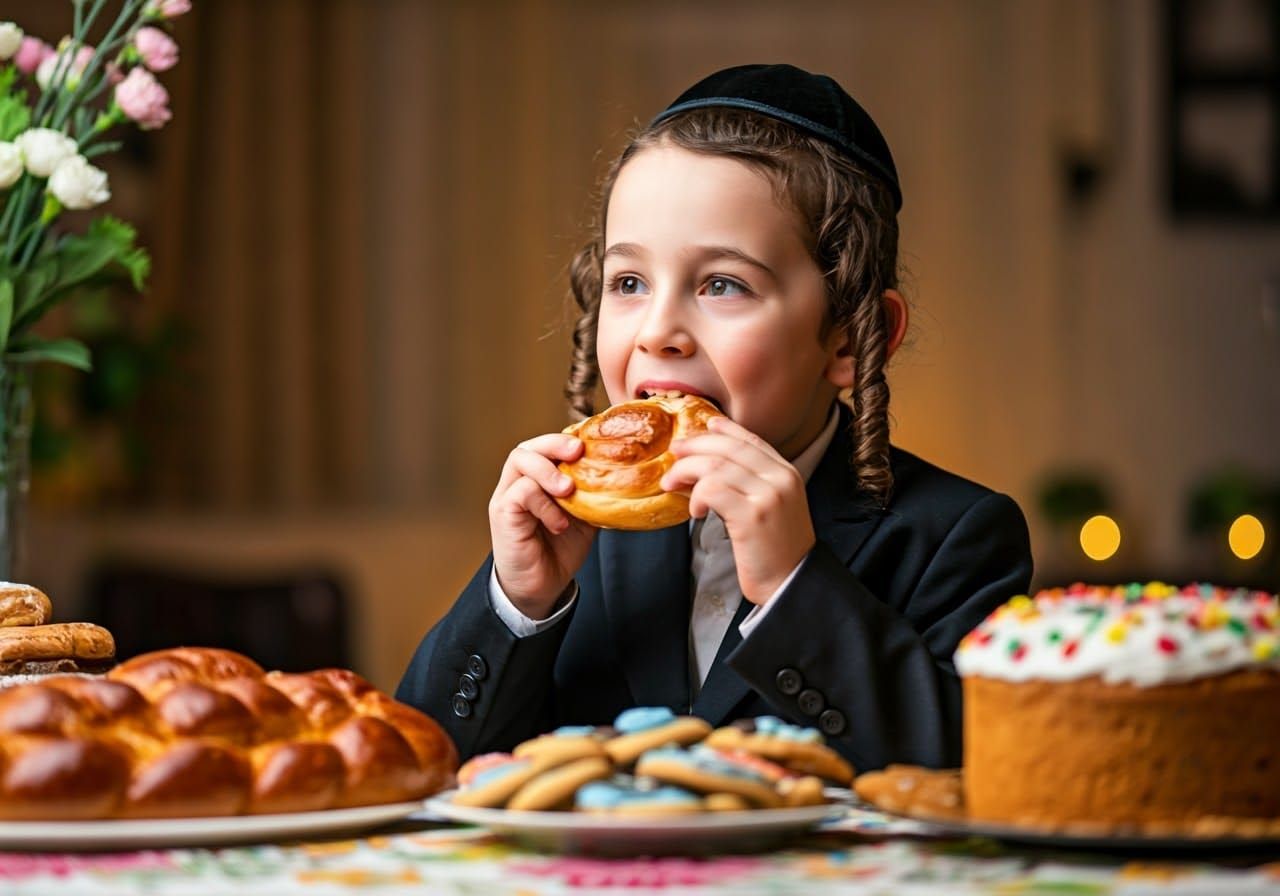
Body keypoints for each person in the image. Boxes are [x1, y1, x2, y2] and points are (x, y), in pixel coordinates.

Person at [397, 63, 1032, 772]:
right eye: (629, 282)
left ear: (854, 336)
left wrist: (796, 583)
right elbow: (423, 767)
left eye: (721, 284)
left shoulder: (955, 538)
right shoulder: (577, 538)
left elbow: (976, 772)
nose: (658, 330)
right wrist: (517, 603)